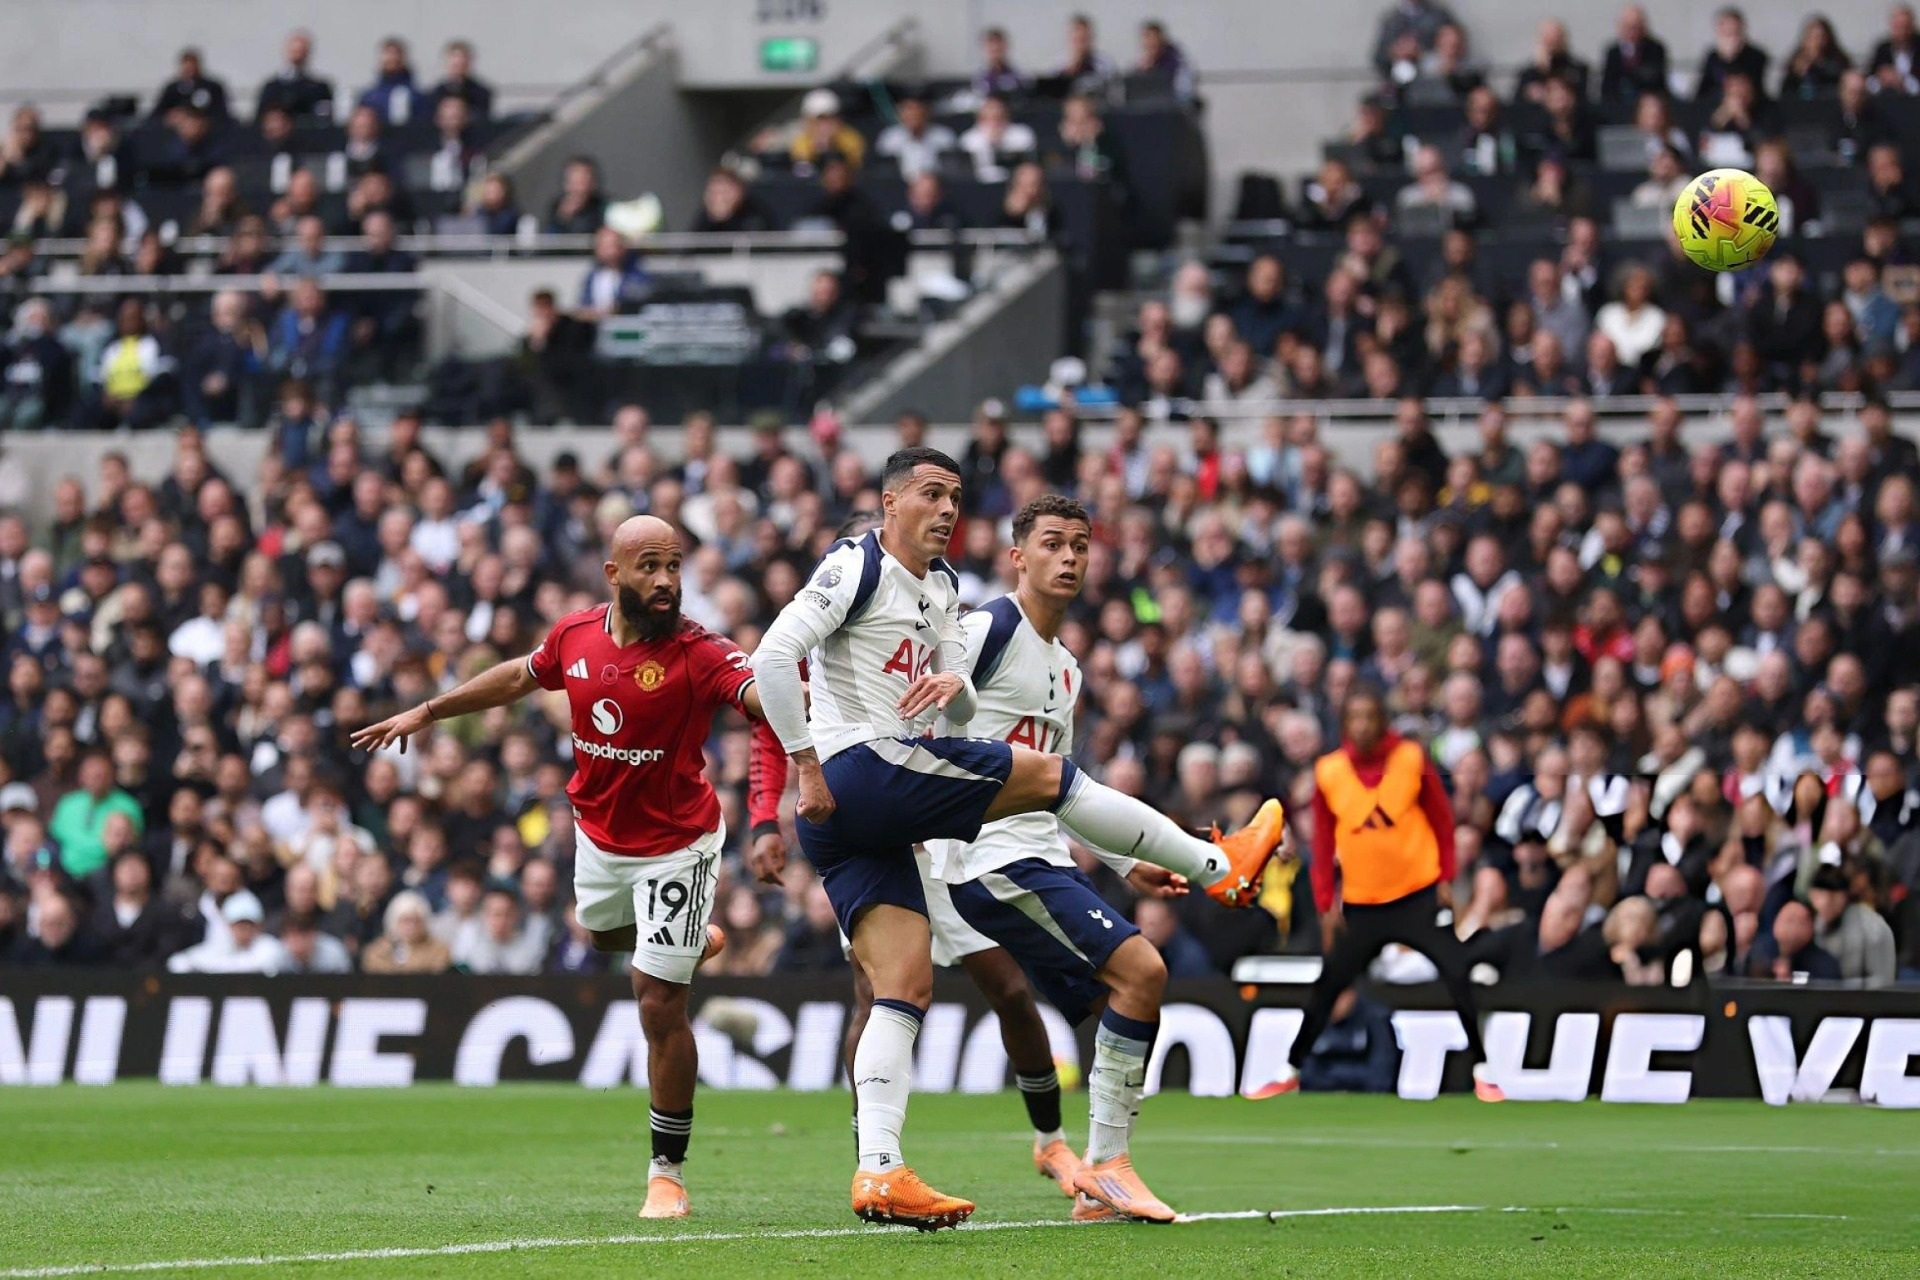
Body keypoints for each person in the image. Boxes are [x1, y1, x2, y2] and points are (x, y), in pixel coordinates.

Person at [749, 447, 1287, 1230]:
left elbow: (951, 709)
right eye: (930, 494)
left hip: (873, 812)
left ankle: (880, 1170)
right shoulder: (866, 571)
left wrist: (956, 694)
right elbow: (773, 656)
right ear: (889, 500)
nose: (944, 509)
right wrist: (805, 768)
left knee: (903, 988)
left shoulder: (950, 599)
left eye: (955, 497)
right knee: (1048, 787)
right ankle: (1218, 863)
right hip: (867, 778)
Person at [353, 514, 788, 1221]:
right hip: (599, 839)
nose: (666, 581)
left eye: (675, 566)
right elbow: (519, 678)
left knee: (655, 996)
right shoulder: (575, 636)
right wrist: (428, 712)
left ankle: (666, 1172)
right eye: (649, 566)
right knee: (604, 940)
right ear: (613, 573)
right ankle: (689, 941)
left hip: (680, 842)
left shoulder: (701, 652)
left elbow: (759, 703)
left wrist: (799, 711)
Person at [922, 497, 1199, 1221]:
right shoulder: (985, 628)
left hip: (1042, 856)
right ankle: (1107, 1165)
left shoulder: (1067, 670)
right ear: (1020, 555)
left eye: (1081, 545)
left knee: (1120, 999)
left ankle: (1096, 1186)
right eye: (1053, 544)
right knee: (1145, 971)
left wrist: (1120, 860)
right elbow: (914, 713)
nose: (1070, 557)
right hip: (989, 859)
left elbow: (1063, 788)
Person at [1246, 686, 1503, 1102]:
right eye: (1355, 718)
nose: (1363, 725)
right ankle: (1289, 1069)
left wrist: (1445, 878)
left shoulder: (1412, 758)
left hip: (1417, 893)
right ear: (1345, 724)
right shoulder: (1329, 771)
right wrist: (1327, 901)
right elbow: (1325, 842)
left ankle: (1483, 1070)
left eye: (1370, 716)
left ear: (1382, 720)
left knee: (1457, 971)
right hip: (1362, 904)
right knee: (1329, 985)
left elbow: (1441, 820)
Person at [256, 29, 335, 122]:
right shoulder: (272, 87)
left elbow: (324, 118)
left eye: (301, 51)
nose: (298, 54)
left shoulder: (319, 88)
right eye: (294, 50)